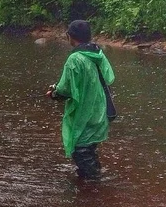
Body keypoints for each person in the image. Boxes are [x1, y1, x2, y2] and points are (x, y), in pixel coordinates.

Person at [46, 20, 115, 180]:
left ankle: (94, 186)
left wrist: (53, 93)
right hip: (100, 111)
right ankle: (91, 183)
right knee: (89, 149)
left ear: (70, 36)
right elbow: (109, 78)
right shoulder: (98, 53)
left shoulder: (75, 59)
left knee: (81, 150)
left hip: (85, 113)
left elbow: (65, 89)